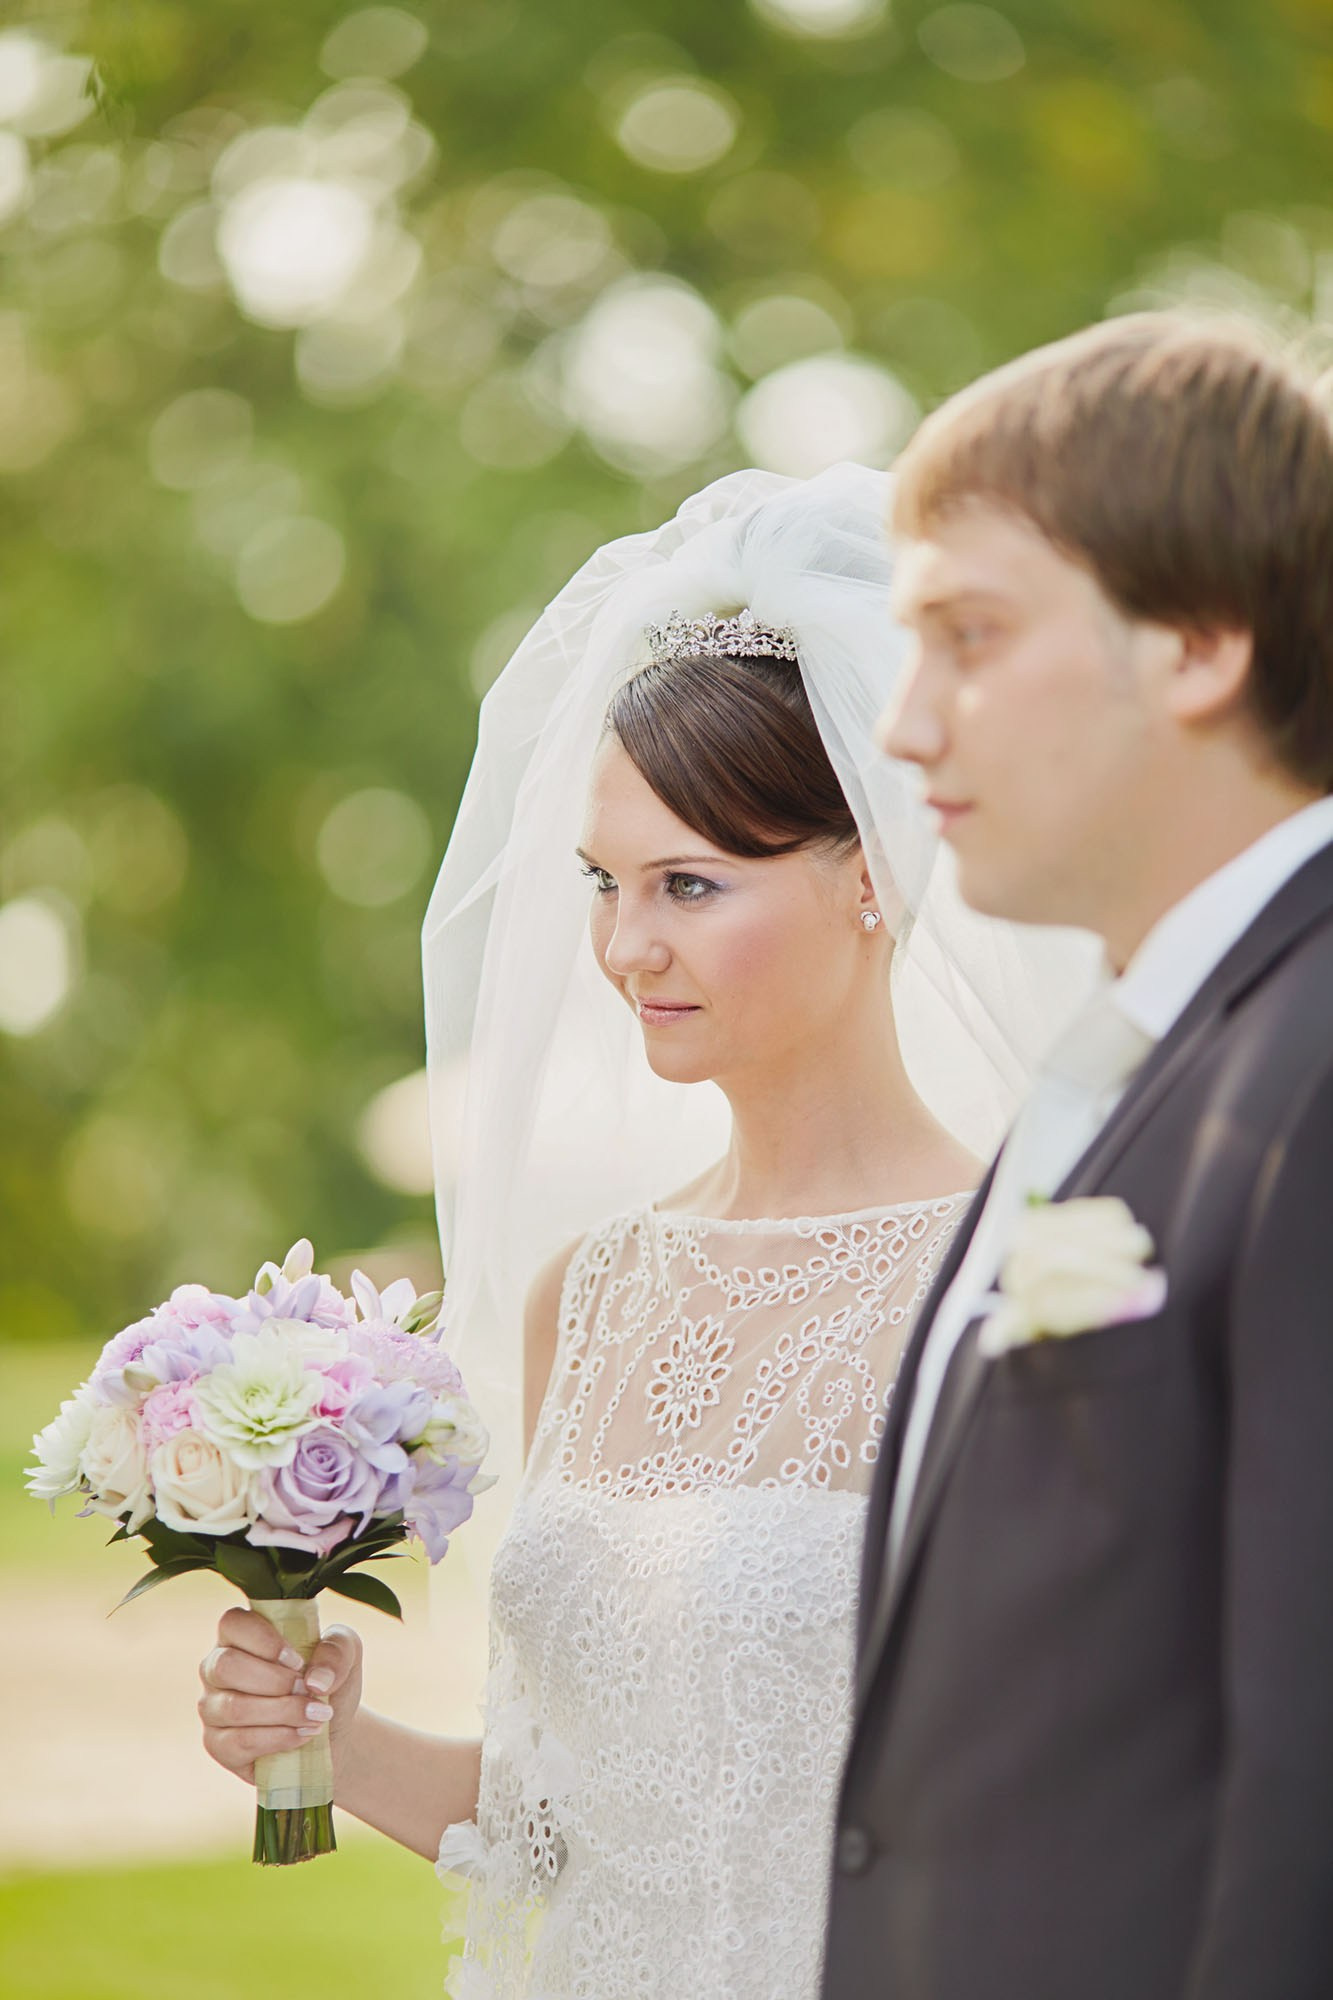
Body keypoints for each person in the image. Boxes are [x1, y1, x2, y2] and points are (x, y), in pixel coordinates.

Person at [197, 466, 1094, 1999]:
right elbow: (558, 1819)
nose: (624, 947)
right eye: (604, 883)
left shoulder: (1010, 1289)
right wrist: (334, 1741)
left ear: (873, 873)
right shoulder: (593, 1292)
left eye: (689, 884)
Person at [823, 315, 1333, 2000]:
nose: (903, 728)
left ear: (1196, 640)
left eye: (965, 638)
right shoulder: (1134, 1054)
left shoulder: (1311, 1071)